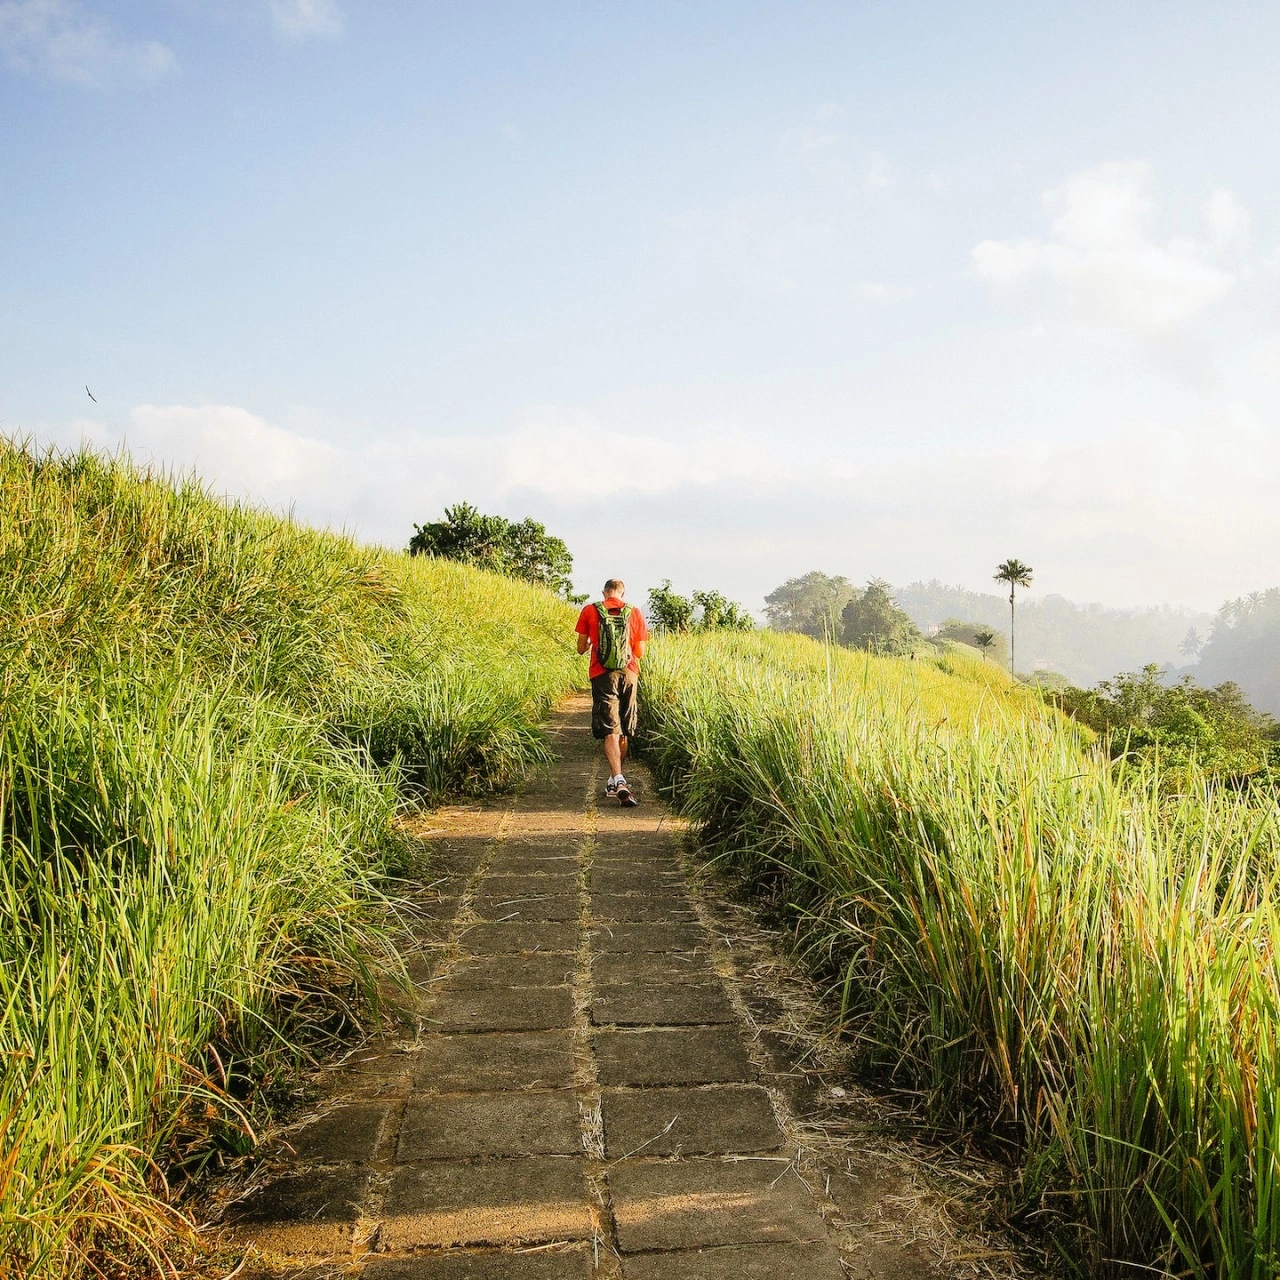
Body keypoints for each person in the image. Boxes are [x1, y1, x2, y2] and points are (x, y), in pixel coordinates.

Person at [575, 578, 649, 807]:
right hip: (629, 674)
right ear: (623, 593)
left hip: (601, 674)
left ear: (604, 593)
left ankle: (617, 780)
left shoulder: (590, 610)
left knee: (610, 729)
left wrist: (590, 644)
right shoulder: (634, 612)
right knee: (625, 728)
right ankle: (614, 780)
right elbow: (640, 651)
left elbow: (580, 648)